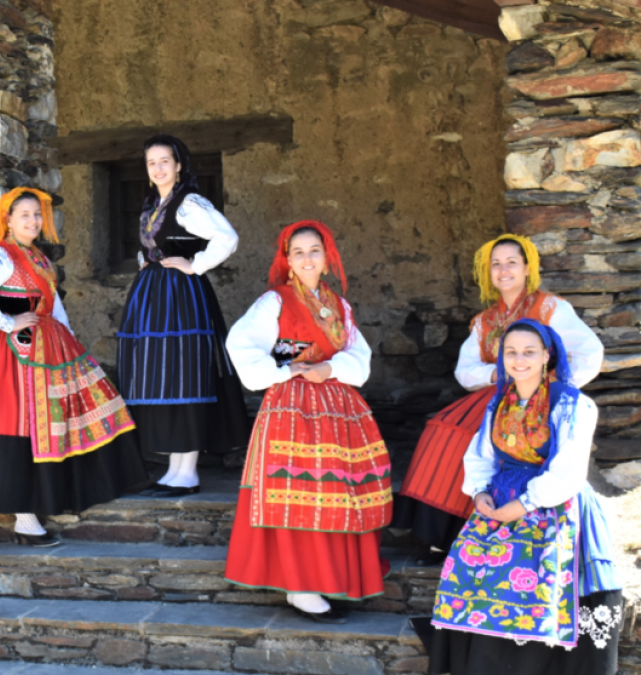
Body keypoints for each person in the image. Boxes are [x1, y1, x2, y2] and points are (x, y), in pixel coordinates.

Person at [0, 187, 149, 546]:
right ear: (7, 220)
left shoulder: (38, 257)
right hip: (16, 356)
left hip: (52, 347)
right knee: (23, 423)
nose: (33, 221)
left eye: (37, 214)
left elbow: (52, 306)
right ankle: (25, 517)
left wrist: (70, 342)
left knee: (60, 418)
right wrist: (9, 323)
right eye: (24, 214)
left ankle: (58, 496)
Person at [418, 319, 621, 675]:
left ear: (547, 356)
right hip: (498, 506)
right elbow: (481, 455)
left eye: (529, 351)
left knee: (542, 588)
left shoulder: (573, 404)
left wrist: (525, 504)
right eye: (511, 352)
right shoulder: (498, 403)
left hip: (554, 506)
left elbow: (568, 469)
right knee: (475, 582)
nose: (519, 359)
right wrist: (479, 491)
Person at [395, 234, 603, 565]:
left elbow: (590, 353)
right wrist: (499, 374)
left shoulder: (551, 308)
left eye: (511, 262)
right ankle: (441, 535)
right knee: (443, 429)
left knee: (468, 435)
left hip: (536, 397)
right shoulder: (485, 321)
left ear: (527, 268)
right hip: (498, 396)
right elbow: (465, 372)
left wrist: (553, 390)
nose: (503, 270)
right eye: (496, 264)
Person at [223, 221, 392, 623]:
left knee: (340, 492)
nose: (306, 258)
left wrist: (330, 367)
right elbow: (241, 344)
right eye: (297, 252)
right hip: (292, 407)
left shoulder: (338, 305)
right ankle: (301, 587)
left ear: (327, 257)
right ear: (287, 260)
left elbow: (359, 355)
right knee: (302, 492)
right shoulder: (274, 302)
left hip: (337, 406)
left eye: (314, 250)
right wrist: (290, 370)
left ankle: (335, 576)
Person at [116, 134, 250, 497]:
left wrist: (195, 266)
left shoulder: (189, 202)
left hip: (181, 300)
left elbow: (227, 237)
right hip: (153, 298)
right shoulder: (152, 205)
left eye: (164, 161)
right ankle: (173, 468)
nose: (158, 168)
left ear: (178, 165)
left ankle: (187, 470)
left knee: (185, 374)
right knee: (161, 377)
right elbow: (155, 247)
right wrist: (148, 261)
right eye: (151, 163)